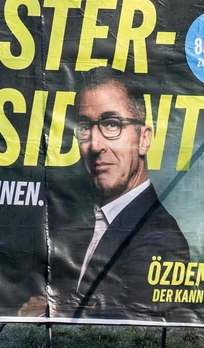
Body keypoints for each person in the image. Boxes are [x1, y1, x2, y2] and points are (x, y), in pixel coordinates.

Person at [48, 67, 190, 317]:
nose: (95, 145)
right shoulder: (82, 228)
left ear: (143, 139)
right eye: (84, 127)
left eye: (111, 124)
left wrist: (52, 307)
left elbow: (126, 324)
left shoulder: (160, 238)